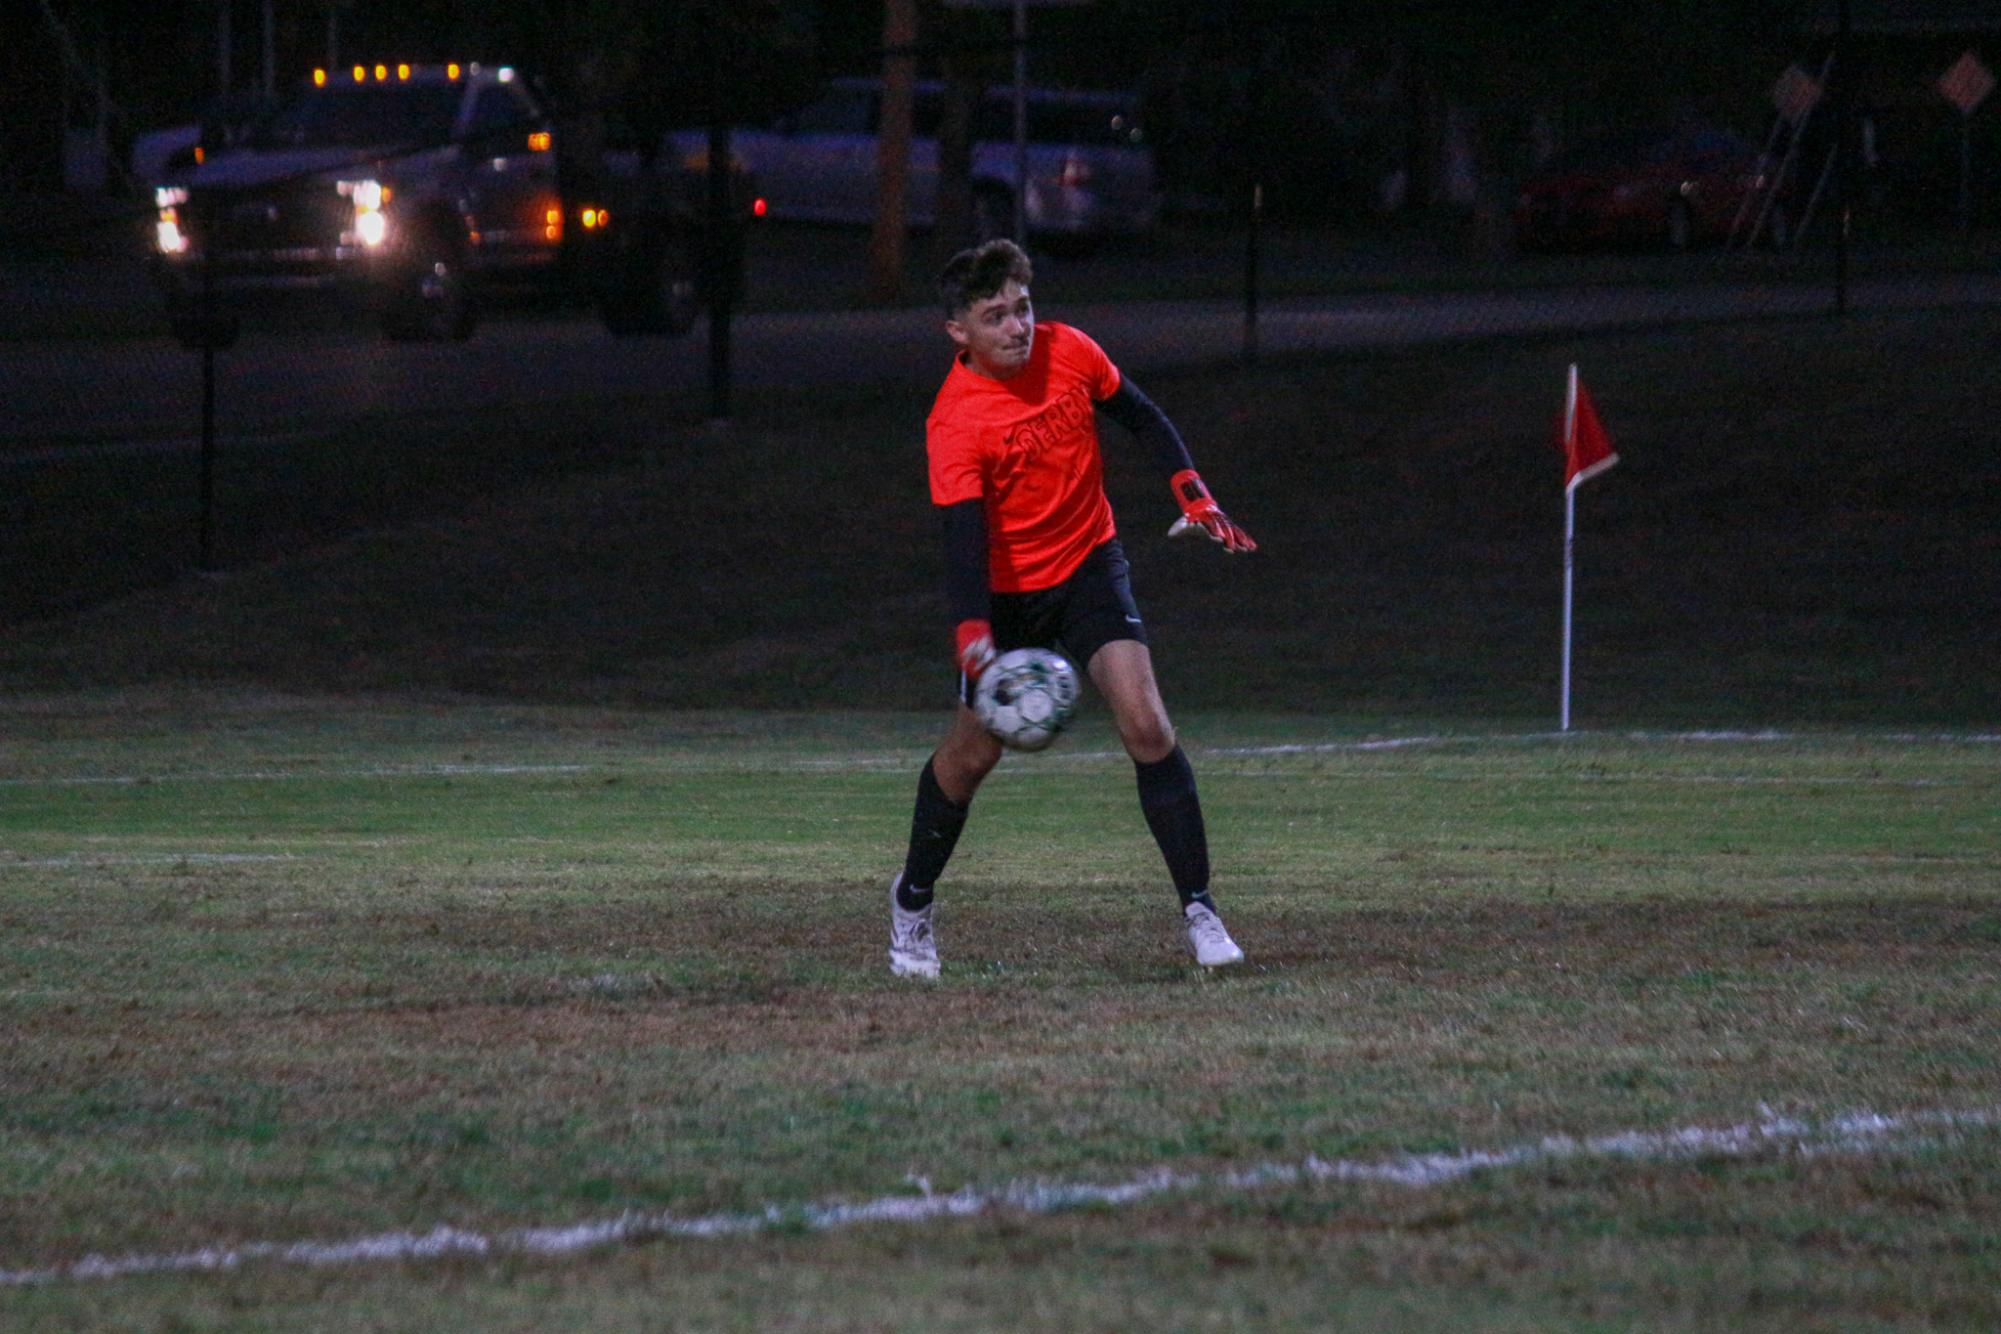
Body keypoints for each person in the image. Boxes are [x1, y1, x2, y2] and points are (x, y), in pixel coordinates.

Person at [888, 237, 1256, 980]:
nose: (1018, 327)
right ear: (957, 331)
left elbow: (1143, 417)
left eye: (1023, 308)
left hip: (1088, 561)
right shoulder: (955, 422)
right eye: (996, 316)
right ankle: (912, 903)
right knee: (972, 758)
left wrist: (1192, 488)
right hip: (1004, 595)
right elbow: (962, 538)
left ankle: (1201, 911)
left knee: (1147, 724)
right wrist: (972, 631)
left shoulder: (1070, 351)